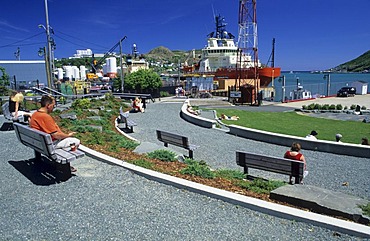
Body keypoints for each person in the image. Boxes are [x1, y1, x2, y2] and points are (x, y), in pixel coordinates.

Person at [30, 95, 80, 172]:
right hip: (48, 145)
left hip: (38, 143)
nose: (54, 107)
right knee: (76, 141)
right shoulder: (45, 117)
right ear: (48, 105)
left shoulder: (35, 114)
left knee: (67, 140)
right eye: (53, 105)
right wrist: (68, 135)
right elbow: (56, 135)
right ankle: (63, 165)